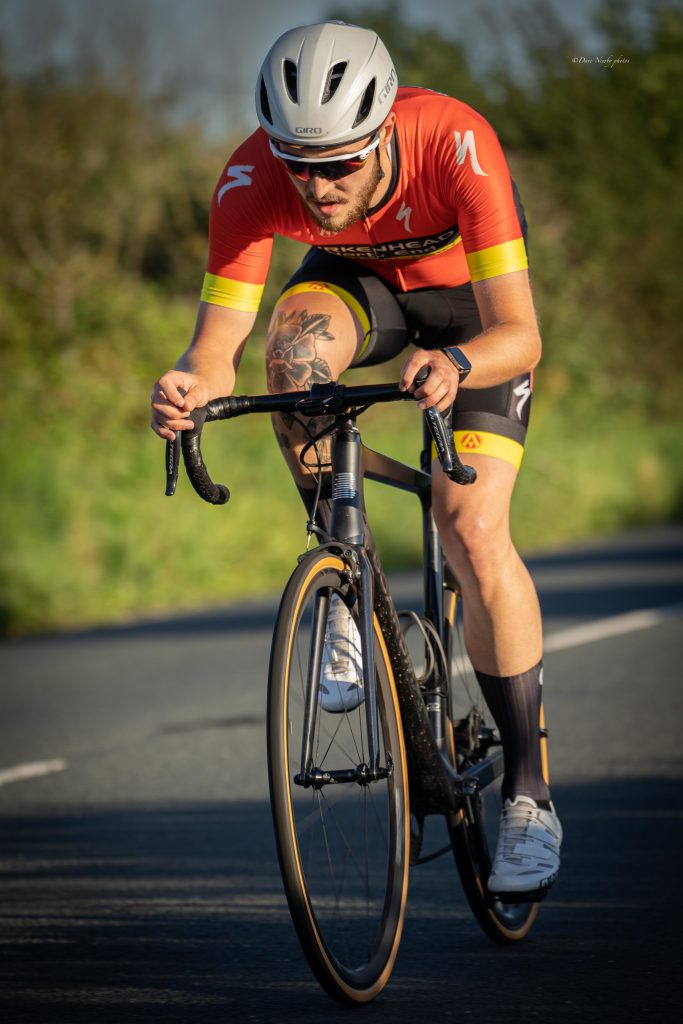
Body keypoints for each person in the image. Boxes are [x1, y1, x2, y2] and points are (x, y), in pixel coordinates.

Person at [150, 21, 562, 898]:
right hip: (357, 289)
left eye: (340, 163)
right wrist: (188, 382)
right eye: (299, 162)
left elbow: (520, 335)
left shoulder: (454, 143)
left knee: (470, 526)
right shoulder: (252, 179)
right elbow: (215, 344)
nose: (318, 184)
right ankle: (344, 576)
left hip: (468, 317)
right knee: (290, 362)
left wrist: (454, 365)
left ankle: (529, 792)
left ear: (381, 133)